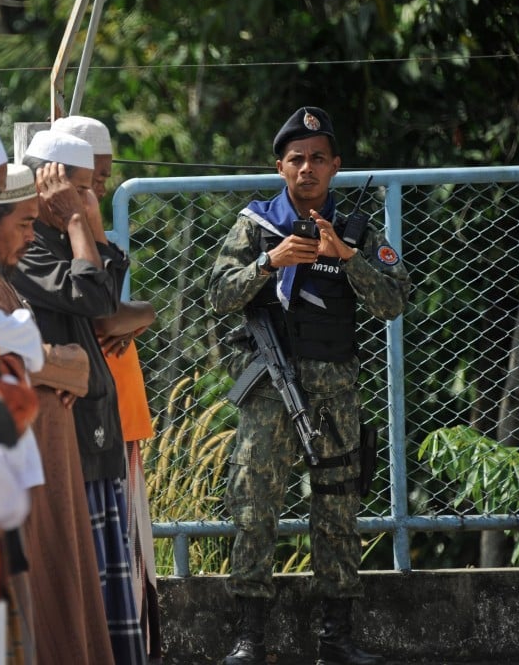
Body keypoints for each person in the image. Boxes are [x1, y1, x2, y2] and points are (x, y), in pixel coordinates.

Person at [207, 106, 410, 665]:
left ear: (335, 166)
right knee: (254, 506)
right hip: (272, 390)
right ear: (281, 167)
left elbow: (394, 302)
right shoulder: (256, 226)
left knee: (339, 512)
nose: (307, 169)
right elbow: (219, 295)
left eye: (318, 158)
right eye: (296, 159)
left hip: (337, 392)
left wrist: (347, 261)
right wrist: (269, 263)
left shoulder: (358, 233)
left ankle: (335, 638)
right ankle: (250, 637)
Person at [15, 130, 146, 665]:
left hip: (96, 432)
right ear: (54, 184)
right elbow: (99, 300)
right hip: (67, 438)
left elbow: (111, 296)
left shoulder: (64, 243)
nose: (95, 199)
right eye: (87, 189)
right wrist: (77, 223)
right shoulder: (31, 247)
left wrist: (88, 231)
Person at [0, 162, 117, 665]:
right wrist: (58, 362)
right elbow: (29, 353)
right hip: (14, 482)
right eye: (22, 225)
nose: (29, 237)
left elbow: (70, 365)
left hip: (46, 474)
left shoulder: (4, 279)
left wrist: (55, 364)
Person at [52, 115, 162, 662]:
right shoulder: (67, 246)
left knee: (132, 571)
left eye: (104, 177)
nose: (99, 189)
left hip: (120, 422)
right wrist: (91, 234)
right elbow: (103, 316)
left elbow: (122, 311)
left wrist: (143, 312)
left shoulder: (94, 245)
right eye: (90, 179)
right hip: (92, 426)